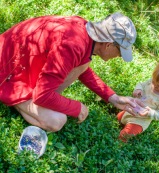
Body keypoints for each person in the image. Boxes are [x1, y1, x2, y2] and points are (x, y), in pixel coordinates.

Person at [0, 12, 139, 132]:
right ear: (108, 44)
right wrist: (77, 108)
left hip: (18, 61)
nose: (119, 57)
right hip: (7, 74)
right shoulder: (71, 46)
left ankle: (34, 100)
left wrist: (113, 97)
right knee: (57, 121)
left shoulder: (83, 32)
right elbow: (42, 95)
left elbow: (81, 68)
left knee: (82, 66)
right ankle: (16, 99)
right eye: (120, 52)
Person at [117, 59, 159, 142]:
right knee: (118, 117)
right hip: (131, 110)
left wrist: (150, 112)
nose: (154, 85)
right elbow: (141, 84)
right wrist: (138, 89)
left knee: (125, 134)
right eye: (153, 81)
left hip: (141, 120)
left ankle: (118, 145)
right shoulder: (152, 81)